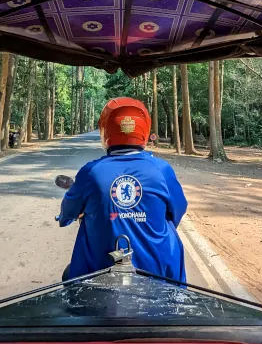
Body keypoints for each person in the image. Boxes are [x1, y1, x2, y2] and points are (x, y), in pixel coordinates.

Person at [58, 97, 188, 281]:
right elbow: (178, 210)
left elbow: (69, 210)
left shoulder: (91, 172)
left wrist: (64, 217)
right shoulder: (162, 170)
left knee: (70, 279)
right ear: (145, 130)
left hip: (99, 270)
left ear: (105, 130)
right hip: (159, 271)